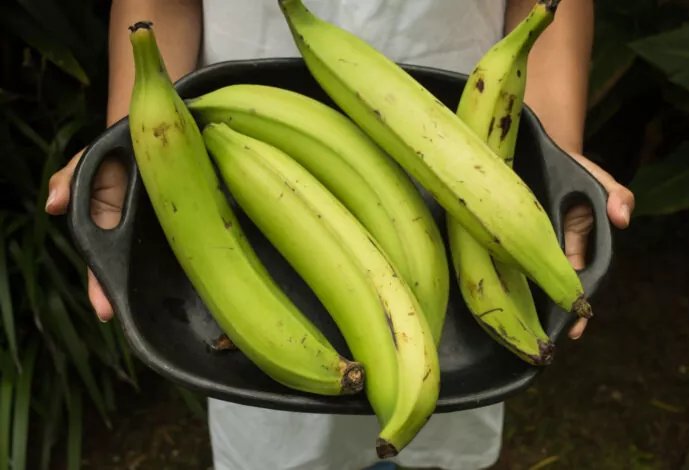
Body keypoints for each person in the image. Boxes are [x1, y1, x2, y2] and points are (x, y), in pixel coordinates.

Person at [46, 1, 635, 469]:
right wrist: (142, 138)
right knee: (283, 440)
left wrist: (553, 159)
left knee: (435, 403)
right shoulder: (236, 141)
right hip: (241, 125)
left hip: (456, 132)